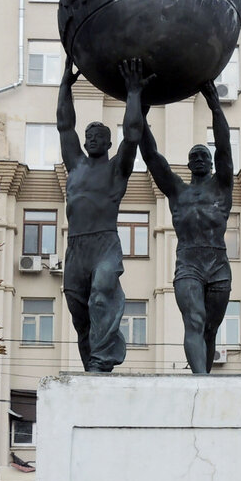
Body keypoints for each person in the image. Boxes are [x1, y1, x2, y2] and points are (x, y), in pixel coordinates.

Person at [56, 57, 149, 372]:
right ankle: (93, 368)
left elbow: (134, 133)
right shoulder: (76, 166)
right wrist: (65, 86)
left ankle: (101, 358)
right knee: (80, 316)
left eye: (99, 135)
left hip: (105, 245)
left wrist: (133, 92)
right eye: (89, 135)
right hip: (76, 249)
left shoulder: (116, 170)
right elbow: (64, 124)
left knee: (100, 300)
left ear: (110, 143)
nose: (92, 138)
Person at [138, 79, 233, 373]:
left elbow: (225, 146)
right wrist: (140, 113)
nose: (200, 158)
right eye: (194, 156)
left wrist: (215, 105)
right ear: (189, 165)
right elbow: (152, 157)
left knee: (209, 330)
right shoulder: (177, 191)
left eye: (204, 155)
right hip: (189, 262)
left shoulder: (222, 186)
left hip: (218, 263)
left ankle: (202, 380)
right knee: (194, 320)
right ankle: (201, 379)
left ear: (212, 162)